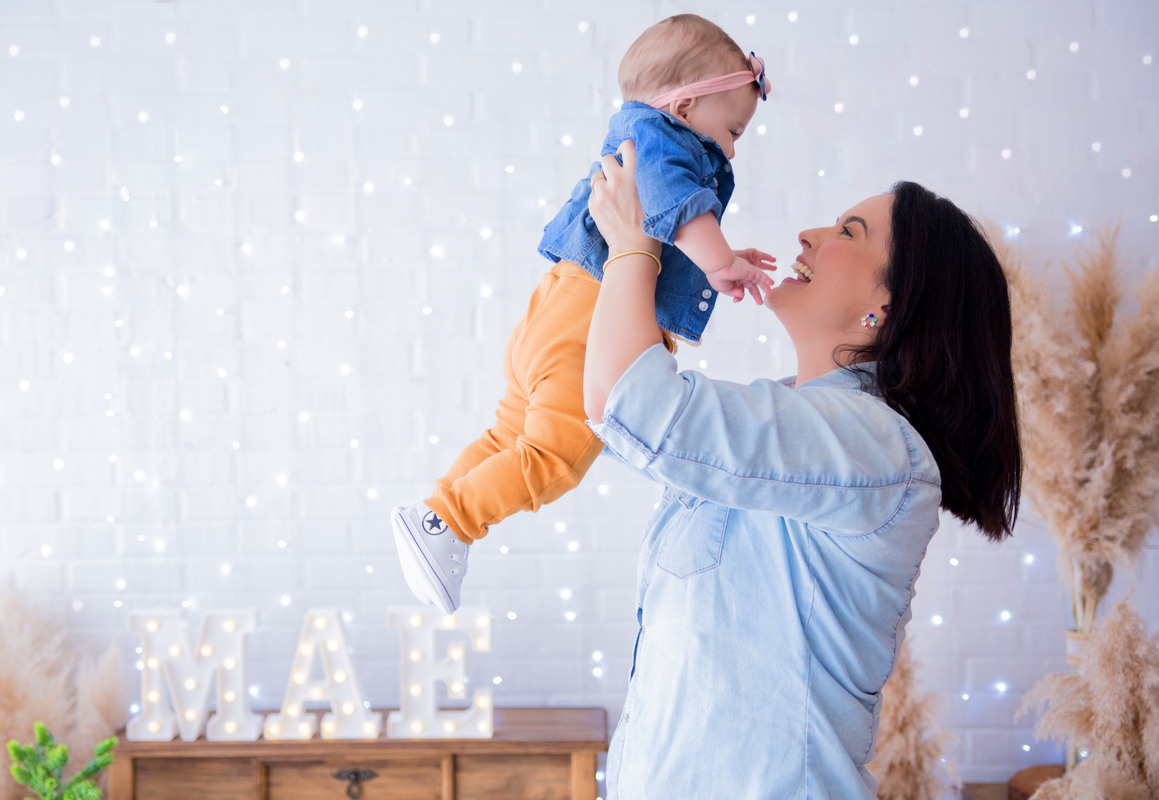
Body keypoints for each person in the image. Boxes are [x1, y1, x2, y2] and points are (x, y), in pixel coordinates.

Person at [582, 139, 1022, 798]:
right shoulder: (787, 425)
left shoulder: (876, 447)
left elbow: (633, 407)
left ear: (889, 309)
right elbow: (624, 423)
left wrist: (634, 246)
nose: (810, 235)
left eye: (849, 231)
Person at [392, 14, 775, 613]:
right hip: (586, 320)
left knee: (508, 434)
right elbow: (679, 201)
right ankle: (450, 522)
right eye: (733, 130)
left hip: (560, 304)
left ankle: (432, 515)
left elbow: (666, 217)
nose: (730, 148)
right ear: (683, 105)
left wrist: (715, 258)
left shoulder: (645, 139)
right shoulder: (657, 141)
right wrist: (721, 261)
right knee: (554, 456)